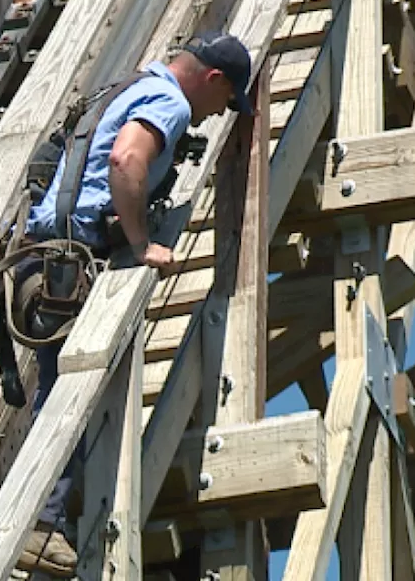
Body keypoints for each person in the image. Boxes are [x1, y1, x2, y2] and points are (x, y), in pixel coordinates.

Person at [15, 30, 254, 578]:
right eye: (225, 102)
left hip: (42, 256)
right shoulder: (169, 102)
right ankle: (42, 525)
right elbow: (126, 160)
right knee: (79, 397)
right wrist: (143, 242)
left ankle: (43, 521)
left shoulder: (131, 85)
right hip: (73, 260)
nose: (217, 115)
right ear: (213, 80)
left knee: (58, 390)